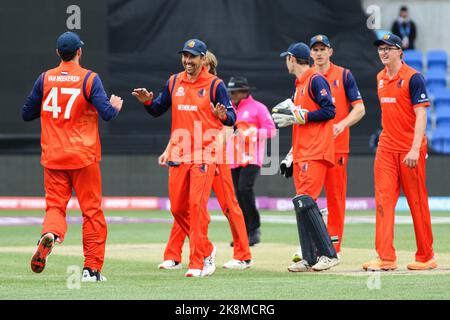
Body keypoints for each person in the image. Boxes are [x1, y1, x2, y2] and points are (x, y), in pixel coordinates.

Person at [23, 31, 123, 282]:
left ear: (58, 53)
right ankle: (91, 270)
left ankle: (51, 234)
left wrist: (50, 111)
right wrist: (116, 107)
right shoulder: (89, 78)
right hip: (83, 156)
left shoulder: (45, 78)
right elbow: (107, 114)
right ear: (79, 52)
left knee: (55, 206)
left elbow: (27, 113)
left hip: (53, 156)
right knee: (92, 212)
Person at [131, 39, 236, 277]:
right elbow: (158, 109)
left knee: (197, 207)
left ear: (202, 59)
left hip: (204, 154)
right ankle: (207, 249)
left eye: (193, 57)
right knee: (178, 208)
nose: (188, 61)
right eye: (185, 57)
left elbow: (231, 116)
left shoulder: (215, 84)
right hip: (179, 154)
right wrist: (147, 102)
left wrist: (224, 115)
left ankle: (198, 262)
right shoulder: (173, 81)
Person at [157, 51, 252, 271]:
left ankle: (243, 254)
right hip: (191, 155)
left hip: (213, 157)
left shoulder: (215, 90)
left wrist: (214, 152)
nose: (198, 66)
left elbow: (229, 127)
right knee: (186, 206)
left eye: (205, 64)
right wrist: (169, 148)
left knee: (228, 205)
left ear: (208, 65)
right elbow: (183, 127)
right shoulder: (186, 86)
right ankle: (175, 254)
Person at [363, 33, 437, 271]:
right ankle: (386, 257)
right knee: (383, 202)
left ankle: (426, 257)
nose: (383, 52)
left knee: (417, 203)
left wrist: (416, 148)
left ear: (400, 52)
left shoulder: (414, 78)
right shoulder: (380, 78)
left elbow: (421, 114)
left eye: (389, 48)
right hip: (386, 148)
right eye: (380, 48)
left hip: (409, 149)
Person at [290, 34, 365, 262]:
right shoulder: (305, 78)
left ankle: (333, 246)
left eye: (323, 49)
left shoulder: (343, 75)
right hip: (310, 148)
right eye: (315, 49)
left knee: (335, 198)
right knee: (306, 198)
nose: (319, 53)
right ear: (310, 54)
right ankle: (310, 246)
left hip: (337, 147)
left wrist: (341, 125)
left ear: (330, 52)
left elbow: (360, 108)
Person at [272, 42, 339, 272]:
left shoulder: (315, 79)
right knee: (301, 205)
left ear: (292, 59)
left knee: (305, 202)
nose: (285, 62)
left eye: (286, 58)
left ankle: (329, 254)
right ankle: (309, 258)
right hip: (302, 152)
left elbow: (330, 110)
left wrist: (304, 115)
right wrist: (291, 154)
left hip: (316, 151)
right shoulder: (299, 85)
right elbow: (298, 122)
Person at [226, 76, 276, 246]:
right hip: (233, 158)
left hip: (252, 158)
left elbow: (271, 131)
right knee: (238, 195)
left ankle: (254, 229)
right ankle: (243, 233)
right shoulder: (229, 108)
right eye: (230, 92)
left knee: (244, 189)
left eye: (234, 92)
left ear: (244, 92)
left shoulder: (258, 108)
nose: (232, 95)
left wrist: (250, 134)